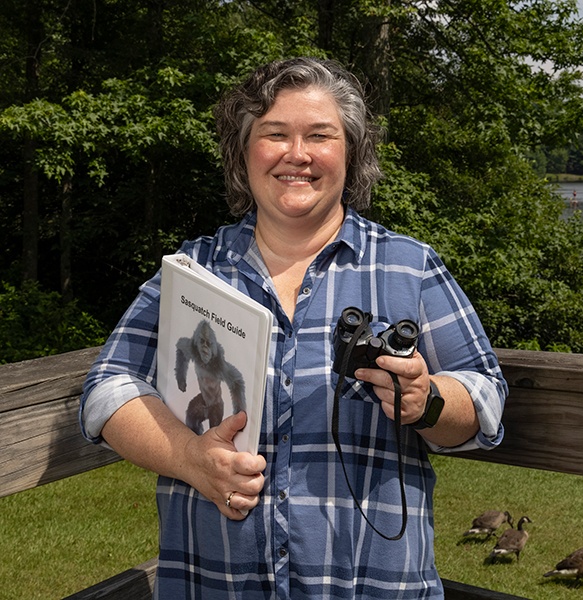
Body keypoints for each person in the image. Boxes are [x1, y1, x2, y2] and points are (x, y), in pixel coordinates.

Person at [80, 57, 507, 599]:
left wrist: (429, 401)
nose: (297, 154)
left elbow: (485, 398)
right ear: (244, 154)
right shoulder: (194, 272)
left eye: (320, 136)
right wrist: (187, 457)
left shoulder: (410, 267)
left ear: (352, 153)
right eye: (274, 134)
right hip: (215, 586)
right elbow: (107, 389)